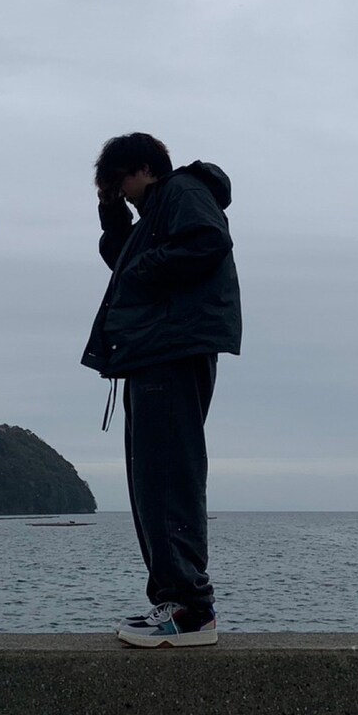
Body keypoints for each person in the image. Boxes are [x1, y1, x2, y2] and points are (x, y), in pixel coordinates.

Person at [81, 132, 242, 648]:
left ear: (145, 169)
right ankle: (176, 602)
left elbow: (208, 241)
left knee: (168, 476)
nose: (121, 191)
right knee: (153, 480)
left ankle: (191, 610)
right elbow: (123, 258)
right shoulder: (155, 213)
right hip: (156, 353)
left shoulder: (182, 190)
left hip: (171, 350)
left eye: (120, 181)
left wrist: (143, 267)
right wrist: (113, 217)